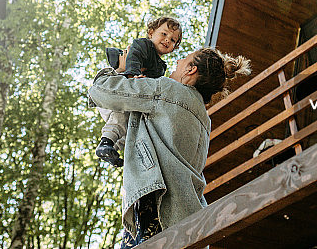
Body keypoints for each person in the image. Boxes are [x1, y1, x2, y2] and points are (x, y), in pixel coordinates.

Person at [88, 47, 250, 248]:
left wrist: (122, 67)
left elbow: (102, 91)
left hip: (158, 209)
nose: (179, 60)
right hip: (189, 217)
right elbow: (138, 138)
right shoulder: (203, 119)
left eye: (185, 59)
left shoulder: (167, 90)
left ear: (190, 70)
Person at [96, 16, 182, 167]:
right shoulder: (143, 45)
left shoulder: (161, 66)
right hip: (117, 92)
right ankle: (106, 143)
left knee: (130, 124)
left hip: (133, 98)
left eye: (173, 40)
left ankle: (111, 149)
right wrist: (133, 76)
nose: (168, 40)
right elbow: (133, 58)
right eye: (164, 34)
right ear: (150, 33)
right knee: (121, 113)